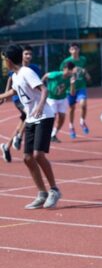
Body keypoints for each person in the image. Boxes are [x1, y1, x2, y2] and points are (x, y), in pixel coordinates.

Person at [0, 44, 62, 209]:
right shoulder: (15, 76)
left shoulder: (27, 72)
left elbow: (44, 89)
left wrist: (40, 106)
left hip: (44, 116)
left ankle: (54, 190)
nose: (3, 63)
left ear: (9, 60)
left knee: (38, 154)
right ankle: (42, 193)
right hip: (31, 119)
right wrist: (1, 96)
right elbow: (14, 91)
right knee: (27, 158)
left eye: (4, 60)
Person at [2, 45, 42, 162]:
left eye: (30, 54)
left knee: (24, 121)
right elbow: (10, 79)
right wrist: (4, 95)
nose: (28, 56)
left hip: (30, 100)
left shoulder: (34, 69)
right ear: (21, 56)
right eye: (26, 54)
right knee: (29, 114)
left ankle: (7, 146)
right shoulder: (16, 68)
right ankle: (19, 137)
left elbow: (38, 84)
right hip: (19, 98)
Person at [60, 42, 91, 139]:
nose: (74, 51)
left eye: (76, 49)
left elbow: (84, 69)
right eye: (72, 49)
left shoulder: (83, 59)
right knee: (72, 108)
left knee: (83, 105)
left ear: (79, 50)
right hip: (70, 88)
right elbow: (63, 73)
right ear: (70, 50)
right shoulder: (66, 61)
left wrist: (86, 73)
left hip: (81, 86)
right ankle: (71, 126)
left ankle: (82, 121)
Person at [41, 62, 77, 143]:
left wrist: (72, 84)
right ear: (64, 69)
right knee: (52, 117)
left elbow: (72, 93)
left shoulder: (71, 78)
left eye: (71, 70)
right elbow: (46, 75)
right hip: (52, 99)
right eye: (69, 70)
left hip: (62, 99)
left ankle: (53, 135)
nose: (70, 72)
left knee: (62, 117)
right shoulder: (56, 75)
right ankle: (46, 134)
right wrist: (40, 85)